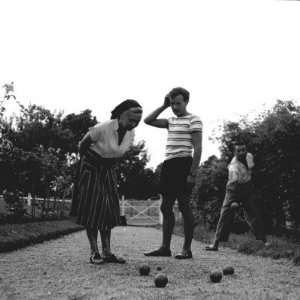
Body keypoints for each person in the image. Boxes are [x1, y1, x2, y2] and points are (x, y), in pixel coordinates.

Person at [71, 100, 143, 264]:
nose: (133, 124)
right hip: (91, 167)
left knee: (109, 209)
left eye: (137, 122)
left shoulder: (130, 134)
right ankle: (94, 252)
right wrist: (84, 167)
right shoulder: (103, 128)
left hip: (108, 169)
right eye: (130, 120)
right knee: (93, 207)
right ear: (120, 115)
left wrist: (109, 165)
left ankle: (107, 252)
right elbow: (82, 145)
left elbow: (118, 153)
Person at [144, 87, 202, 259]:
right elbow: (148, 120)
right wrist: (163, 106)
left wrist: (193, 172)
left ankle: (186, 249)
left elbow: (198, 148)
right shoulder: (170, 121)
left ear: (186, 102)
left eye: (178, 103)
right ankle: (165, 247)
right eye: (172, 104)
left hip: (184, 163)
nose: (175, 107)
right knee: (165, 206)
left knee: (184, 205)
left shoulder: (194, 119)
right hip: (169, 164)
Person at [205, 142, 270, 251]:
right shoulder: (233, 166)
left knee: (254, 213)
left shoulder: (249, 156)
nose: (242, 152)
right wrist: (234, 201)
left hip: (247, 187)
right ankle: (215, 244)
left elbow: (251, 170)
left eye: (243, 150)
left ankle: (264, 241)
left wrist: (249, 188)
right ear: (234, 152)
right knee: (225, 215)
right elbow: (234, 183)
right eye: (238, 151)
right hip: (233, 189)